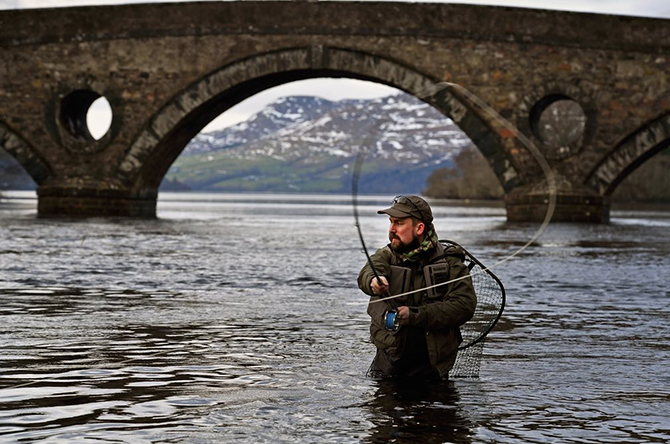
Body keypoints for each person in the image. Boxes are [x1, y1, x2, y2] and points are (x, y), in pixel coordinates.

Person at [358, 195, 477, 381]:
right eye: (390, 222)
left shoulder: (450, 262)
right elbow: (367, 273)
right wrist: (374, 280)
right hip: (389, 361)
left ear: (419, 228)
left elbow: (464, 305)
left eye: (398, 223)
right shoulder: (385, 255)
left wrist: (414, 315)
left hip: (432, 367)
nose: (391, 229)